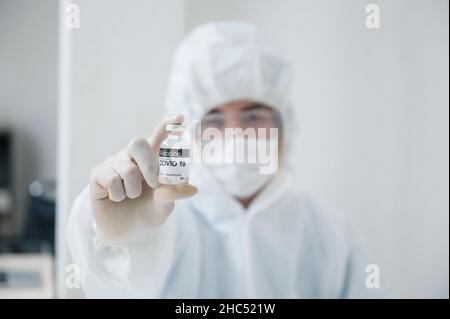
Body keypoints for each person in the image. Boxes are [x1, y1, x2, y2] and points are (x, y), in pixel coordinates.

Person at [66, 21, 380, 298]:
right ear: (188, 132)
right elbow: (118, 289)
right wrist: (121, 241)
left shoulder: (329, 234)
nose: (236, 134)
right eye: (214, 120)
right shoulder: (166, 223)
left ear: (285, 127)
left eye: (253, 116)